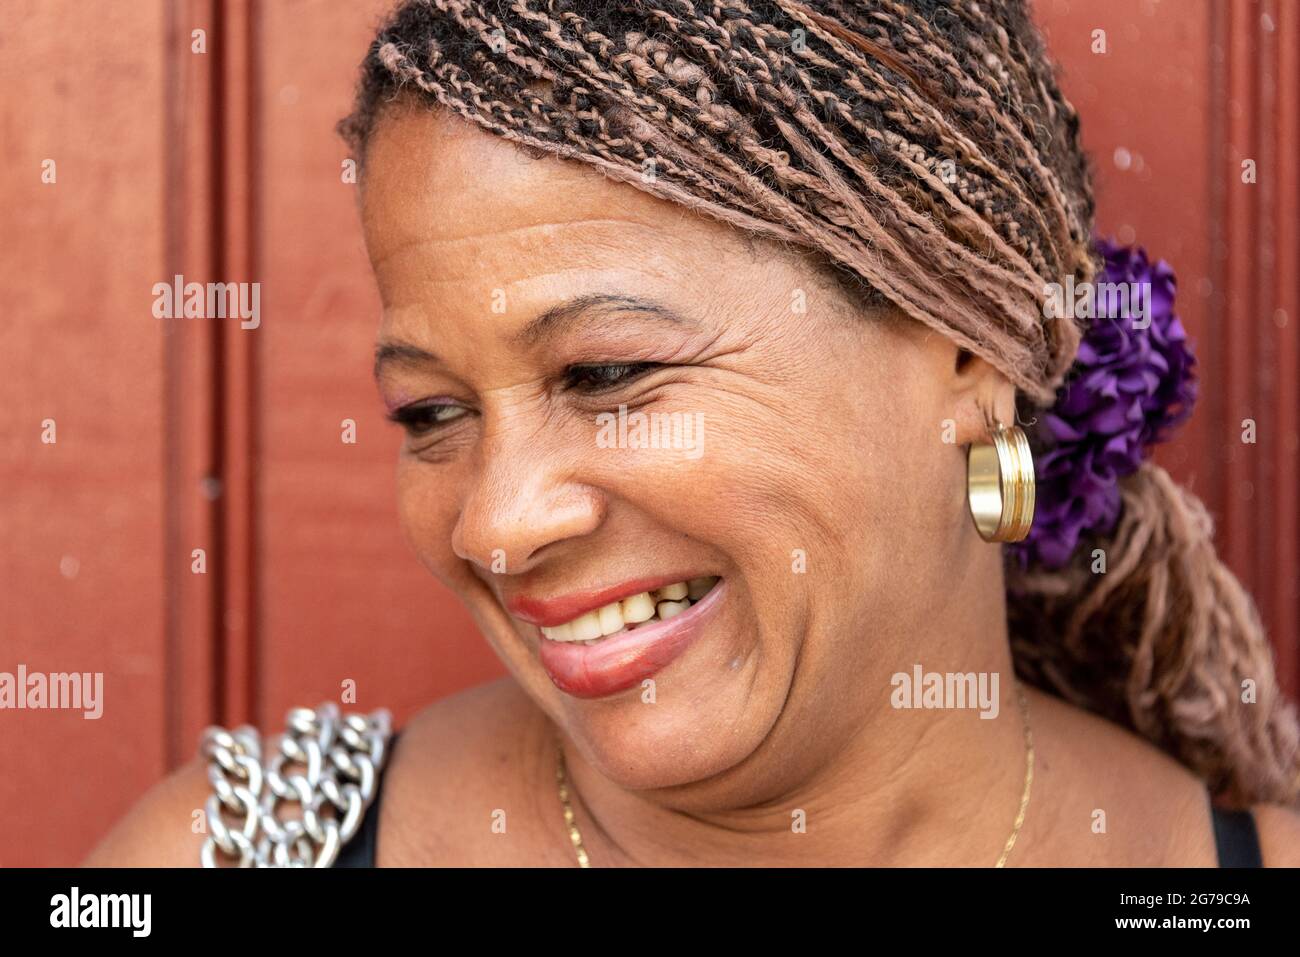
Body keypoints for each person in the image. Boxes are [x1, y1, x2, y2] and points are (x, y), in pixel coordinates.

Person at [86, 0, 1300, 867]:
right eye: (433, 412)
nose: (497, 523)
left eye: (606, 371)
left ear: (967, 351)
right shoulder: (238, 854)